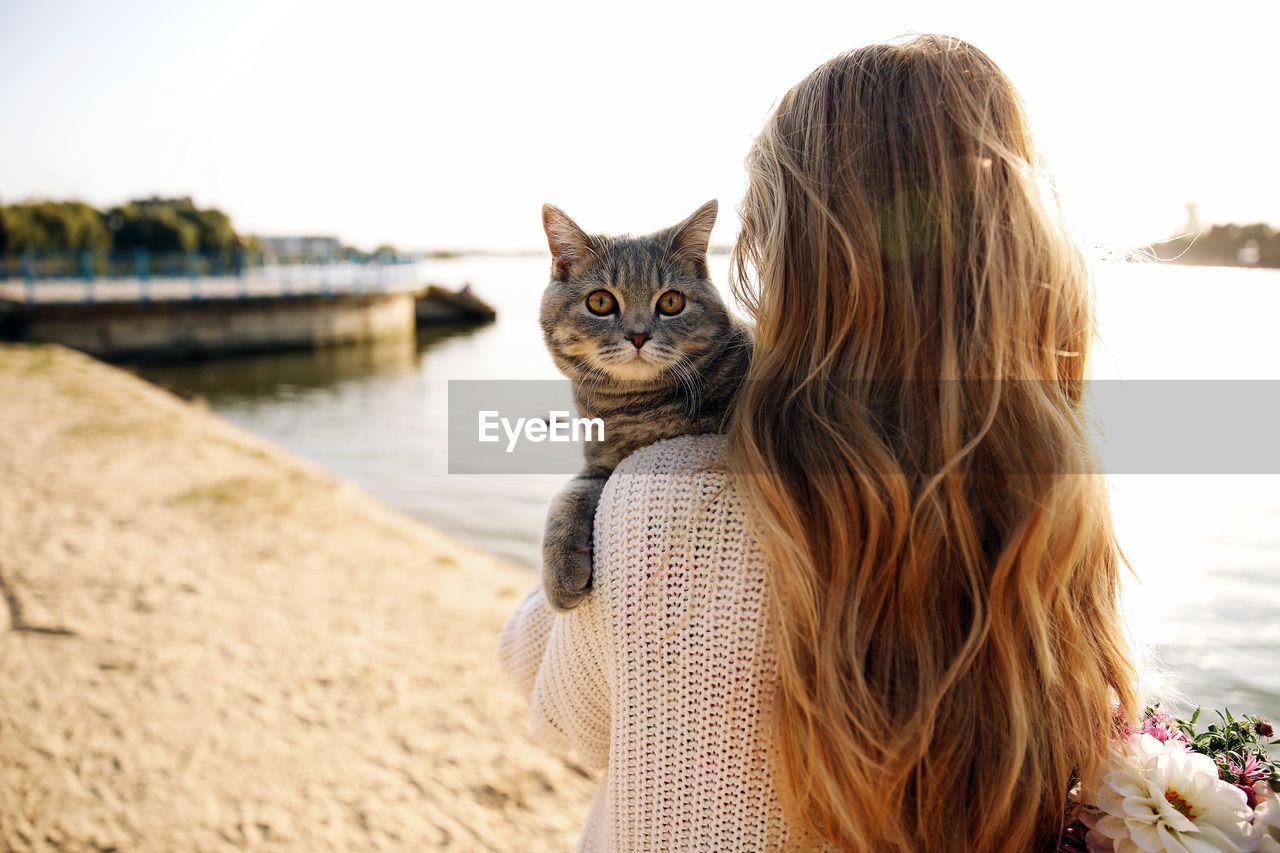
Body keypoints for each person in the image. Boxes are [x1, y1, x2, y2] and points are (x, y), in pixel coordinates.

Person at [499, 34, 1140, 852]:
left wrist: (595, 515)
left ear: (782, 262)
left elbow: (569, 714)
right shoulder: (1054, 513)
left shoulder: (665, 494)